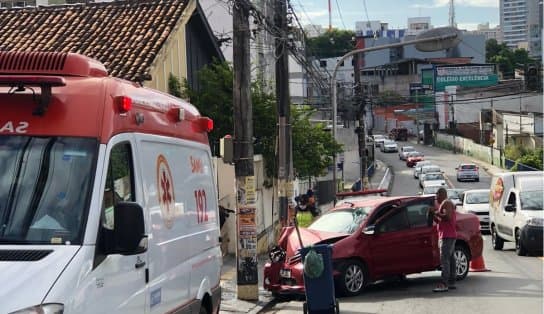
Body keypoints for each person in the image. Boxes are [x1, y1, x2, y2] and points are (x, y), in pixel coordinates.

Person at [429, 187, 457, 292]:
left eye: (437, 195)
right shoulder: (444, 204)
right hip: (448, 235)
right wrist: (433, 215)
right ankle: (451, 282)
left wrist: (436, 212)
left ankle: (444, 283)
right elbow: (442, 220)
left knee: (445, 259)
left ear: (441, 194)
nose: (436, 197)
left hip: (447, 236)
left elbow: (447, 217)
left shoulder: (447, 203)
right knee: (450, 259)